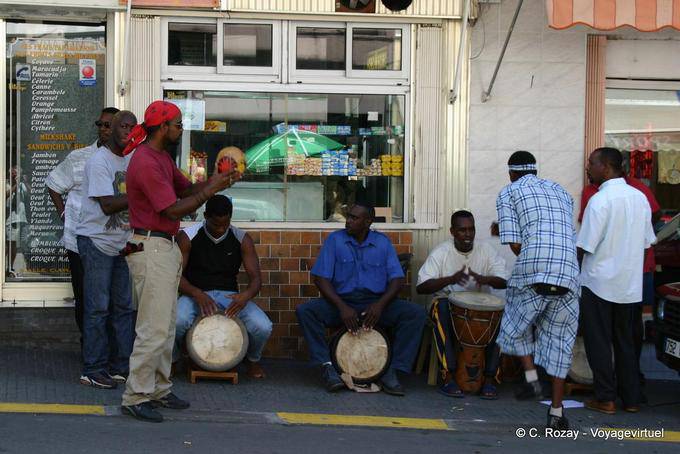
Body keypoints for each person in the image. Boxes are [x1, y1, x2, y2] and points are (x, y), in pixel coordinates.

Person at [120, 100, 239, 423]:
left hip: (164, 247)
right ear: (162, 128)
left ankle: (158, 388)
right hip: (152, 246)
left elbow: (189, 189)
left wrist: (218, 181)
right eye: (176, 124)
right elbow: (172, 209)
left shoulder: (159, 157)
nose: (180, 128)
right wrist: (211, 188)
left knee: (166, 325)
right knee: (153, 328)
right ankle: (137, 394)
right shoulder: (145, 161)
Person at [296, 202, 426, 396]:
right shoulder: (335, 240)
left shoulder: (382, 242)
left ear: (368, 222)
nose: (348, 221)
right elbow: (320, 279)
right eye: (348, 216)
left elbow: (397, 280)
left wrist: (380, 305)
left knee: (416, 314)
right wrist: (341, 307)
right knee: (306, 312)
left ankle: (392, 371)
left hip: (375, 303)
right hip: (341, 302)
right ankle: (328, 368)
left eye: (354, 218)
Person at [495, 151, 580, 430]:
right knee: (560, 344)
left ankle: (531, 381)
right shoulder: (561, 191)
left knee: (512, 329)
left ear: (511, 173)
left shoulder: (509, 192)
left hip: (533, 272)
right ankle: (557, 412)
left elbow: (517, 246)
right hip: (569, 273)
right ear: (534, 169)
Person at [577, 147, 656, 415]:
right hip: (629, 285)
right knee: (627, 343)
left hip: (598, 283)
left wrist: (573, 271)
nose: (588, 168)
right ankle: (631, 399)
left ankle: (606, 398)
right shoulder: (640, 198)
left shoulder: (600, 201)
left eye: (591, 164)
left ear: (606, 167)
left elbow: (585, 244)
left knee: (598, 342)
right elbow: (647, 242)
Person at [174, 195, 271, 378]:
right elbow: (175, 276)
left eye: (225, 225)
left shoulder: (242, 239)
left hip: (229, 297)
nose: (220, 229)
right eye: (216, 225)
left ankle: (252, 361)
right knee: (177, 321)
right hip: (194, 294)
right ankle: (174, 359)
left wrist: (246, 295)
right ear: (206, 216)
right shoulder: (188, 236)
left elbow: (256, 278)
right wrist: (197, 293)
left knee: (263, 326)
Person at [75, 111, 138, 389]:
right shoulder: (99, 161)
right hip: (96, 241)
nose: (127, 130)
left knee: (124, 308)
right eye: (122, 126)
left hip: (122, 244)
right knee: (98, 309)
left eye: (131, 127)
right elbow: (108, 205)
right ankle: (93, 369)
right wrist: (142, 193)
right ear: (110, 129)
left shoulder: (133, 159)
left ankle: (120, 367)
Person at [416, 210, 507, 399]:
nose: (468, 234)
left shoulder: (486, 250)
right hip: (448, 305)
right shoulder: (442, 252)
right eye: (462, 230)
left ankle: (490, 379)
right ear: (452, 231)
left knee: (503, 313)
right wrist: (450, 278)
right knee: (439, 308)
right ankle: (448, 376)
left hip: (480, 309)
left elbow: (504, 280)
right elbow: (422, 287)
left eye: (471, 229)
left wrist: (486, 279)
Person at [47, 107, 119, 337]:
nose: (103, 129)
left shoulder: (127, 159)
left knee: (112, 299)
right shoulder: (79, 157)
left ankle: (107, 348)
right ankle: (88, 347)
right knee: (85, 297)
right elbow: (53, 184)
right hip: (80, 242)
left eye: (108, 125)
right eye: (100, 124)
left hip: (114, 242)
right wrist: (63, 214)